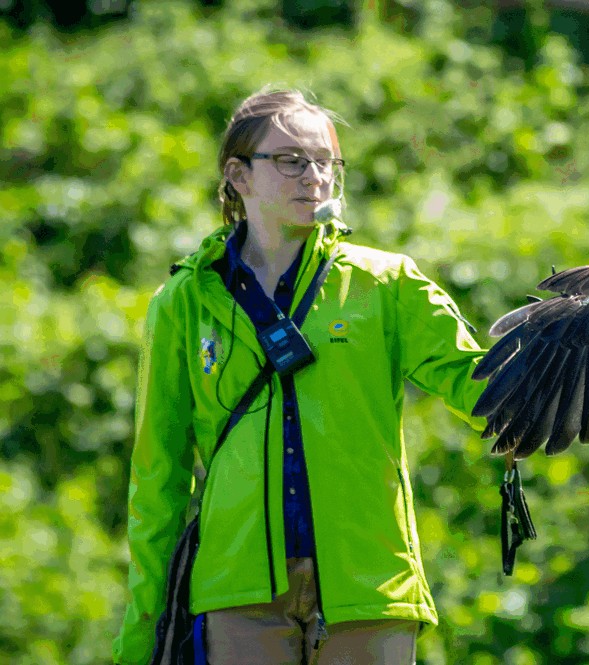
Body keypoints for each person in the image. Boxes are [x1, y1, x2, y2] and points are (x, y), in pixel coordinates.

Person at [113, 88, 487, 665]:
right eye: (290, 161)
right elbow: (157, 482)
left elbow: (486, 392)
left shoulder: (387, 285)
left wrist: (588, 339)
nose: (314, 176)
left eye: (326, 163)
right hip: (237, 592)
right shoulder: (184, 302)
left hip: (369, 587)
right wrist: (140, 635)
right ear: (238, 175)